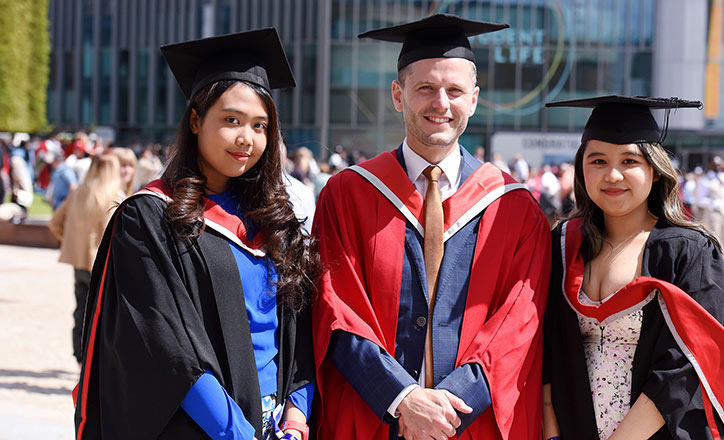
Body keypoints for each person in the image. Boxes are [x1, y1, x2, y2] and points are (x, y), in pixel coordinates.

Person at [312, 14, 551, 440]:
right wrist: (402, 398)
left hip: (469, 424)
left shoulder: (514, 207)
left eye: (454, 91)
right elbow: (336, 307)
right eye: (425, 88)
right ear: (398, 95)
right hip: (375, 419)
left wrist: (450, 407)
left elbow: (517, 323)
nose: (440, 103)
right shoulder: (347, 194)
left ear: (473, 100)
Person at [73, 28, 319, 440]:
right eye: (231, 120)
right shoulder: (150, 217)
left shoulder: (274, 220)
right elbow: (168, 348)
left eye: (260, 125)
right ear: (195, 120)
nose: (246, 138)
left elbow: (299, 334)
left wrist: (296, 418)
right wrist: (236, 433)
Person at [542, 96, 724, 440]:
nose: (613, 174)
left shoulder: (689, 252)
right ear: (581, 168)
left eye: (630, 160)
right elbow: (546, 349)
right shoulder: (563, 245)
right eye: (598, 160)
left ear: (654, 169)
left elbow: (687, 363)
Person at [48, 154, 122, 364]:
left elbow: (55, 223)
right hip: (103, 265)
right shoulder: (113, 197)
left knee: (81, 310)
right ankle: (93, 362)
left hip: (79, 263)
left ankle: (80, 358)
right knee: (103, 316)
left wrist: (71, 243)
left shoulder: (77, 193)